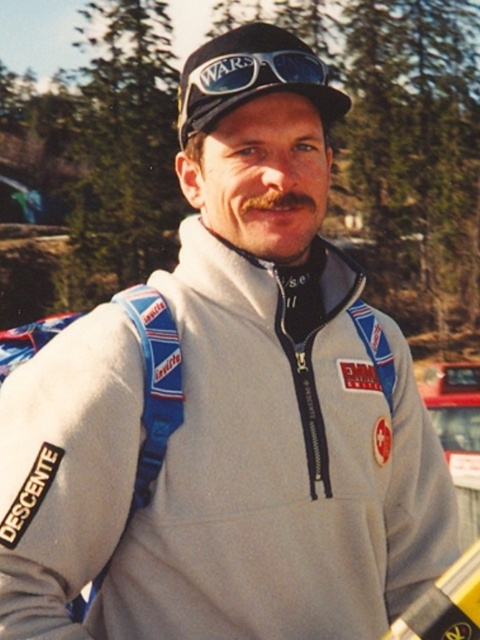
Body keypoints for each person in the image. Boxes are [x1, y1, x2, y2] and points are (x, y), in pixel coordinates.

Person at [0, 22, 459, 640]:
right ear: (192, 178)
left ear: (328, 164)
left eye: (303, 146)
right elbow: (11, 595)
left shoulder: (378, 348)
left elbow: (425, 587)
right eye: (248, 151)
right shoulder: (127, 351)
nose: (281, 178)